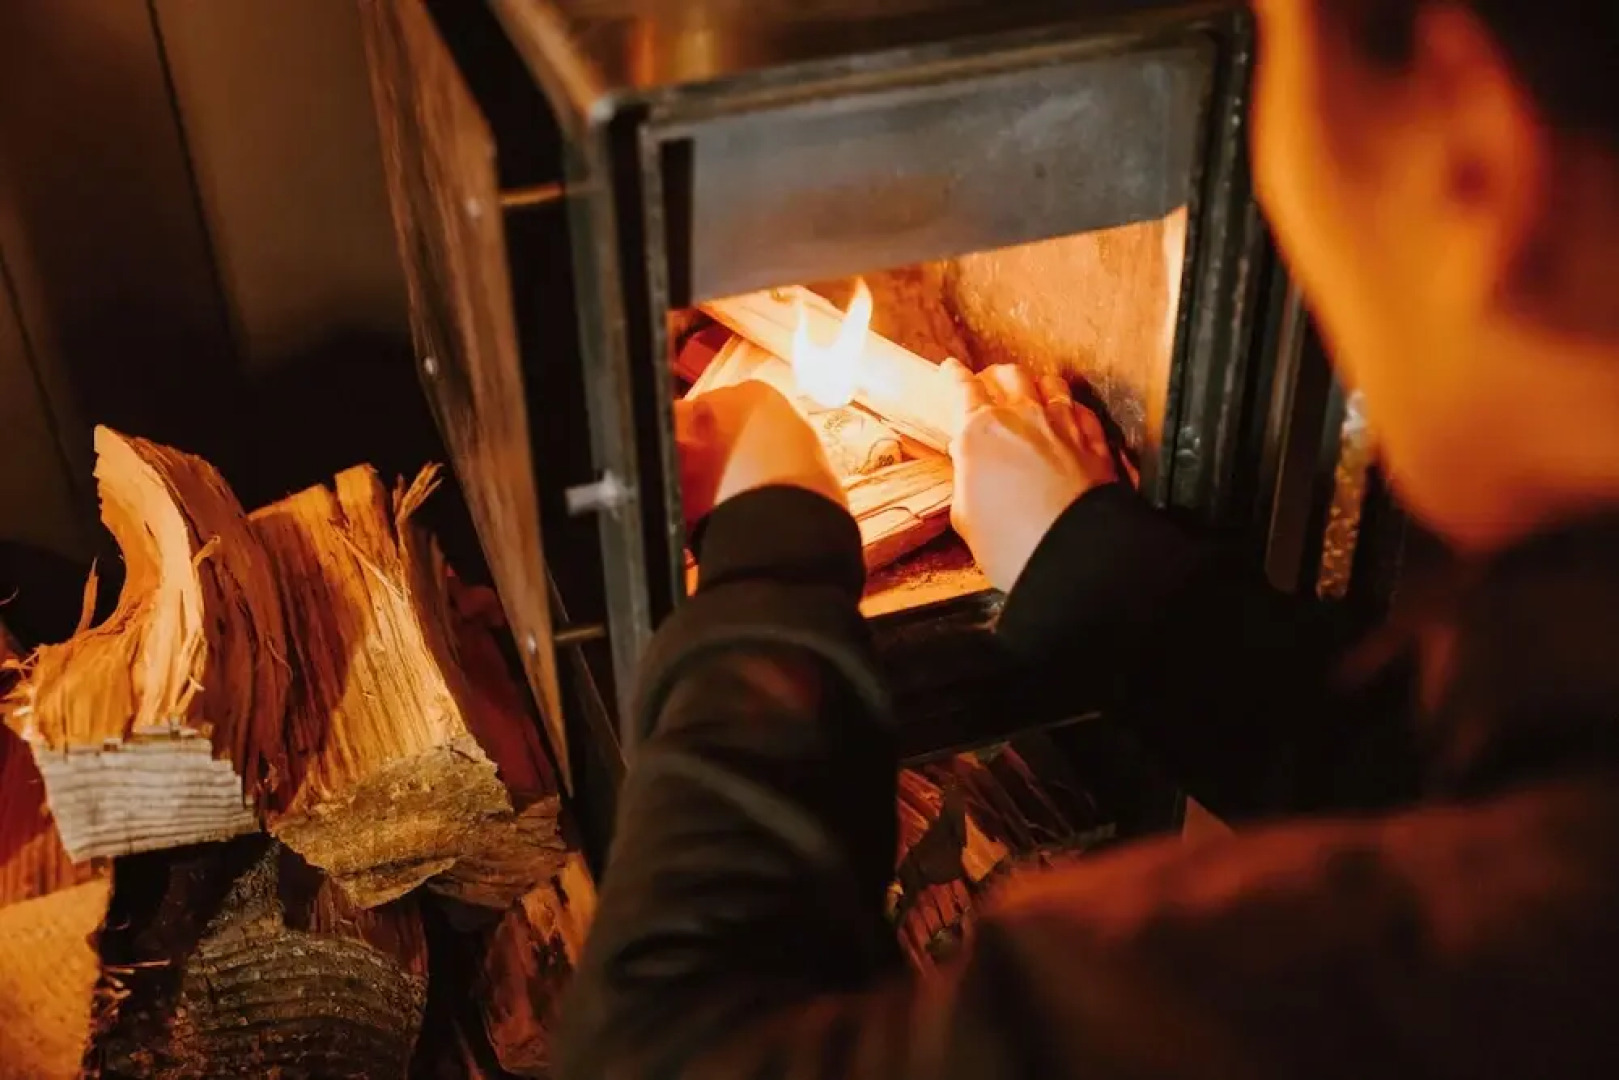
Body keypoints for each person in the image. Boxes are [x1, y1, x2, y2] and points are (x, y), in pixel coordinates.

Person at [559, 0, 1619, 1075]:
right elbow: (1423, 772)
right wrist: (1095, 568)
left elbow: (655, 1055)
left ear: (1469, 150)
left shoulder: (1346, 983)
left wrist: (772, 530)